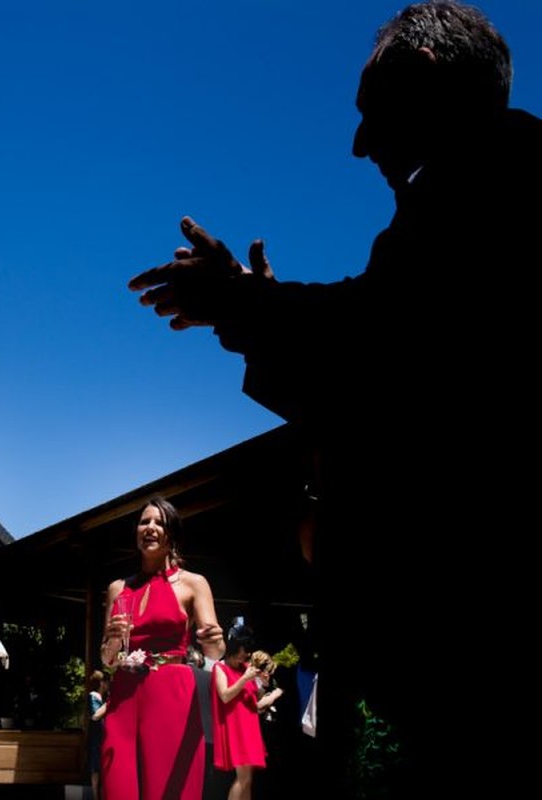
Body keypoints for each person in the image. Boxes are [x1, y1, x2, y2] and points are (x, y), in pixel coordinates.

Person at [127, 2, 536, 789]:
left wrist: (242, 304)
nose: (358, 144)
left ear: (422, 73)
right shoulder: (460, 195)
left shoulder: (501, 177)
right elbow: (370, 371)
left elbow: (381, 340)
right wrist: (255, 311)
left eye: (367, 113)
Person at [99, 498, 223, 800]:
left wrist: (213, 640)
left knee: (167, 788)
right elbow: (107, 659)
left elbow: (215, 652)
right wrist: (113, 641)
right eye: (144, 522)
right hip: (125, 694)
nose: (150, 528)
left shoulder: (194, 584)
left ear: (172, 534)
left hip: (171, 693)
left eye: (159, 522)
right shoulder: (118, 588)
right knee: (118, 787)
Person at [211, 629, 280, 800]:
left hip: (250, 726)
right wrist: (244, 679)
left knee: (248, 780)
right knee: (242, 779)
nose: (247, 654)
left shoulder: (246, 668)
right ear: (235, 647)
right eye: (244, 649)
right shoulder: (220, 667)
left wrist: (267, 688)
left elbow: (256, 704)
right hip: (236, 727)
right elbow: (225, 696)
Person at [86, 670, 109, 799]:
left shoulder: (103, 697)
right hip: (96, 737)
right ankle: (95, 795)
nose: (108, 685)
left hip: (103, 736)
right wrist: (108, 703)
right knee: (95, 767)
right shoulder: (93, 696)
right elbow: (95, 716)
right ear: (101, 683)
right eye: (106, 682)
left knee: (102, 766)